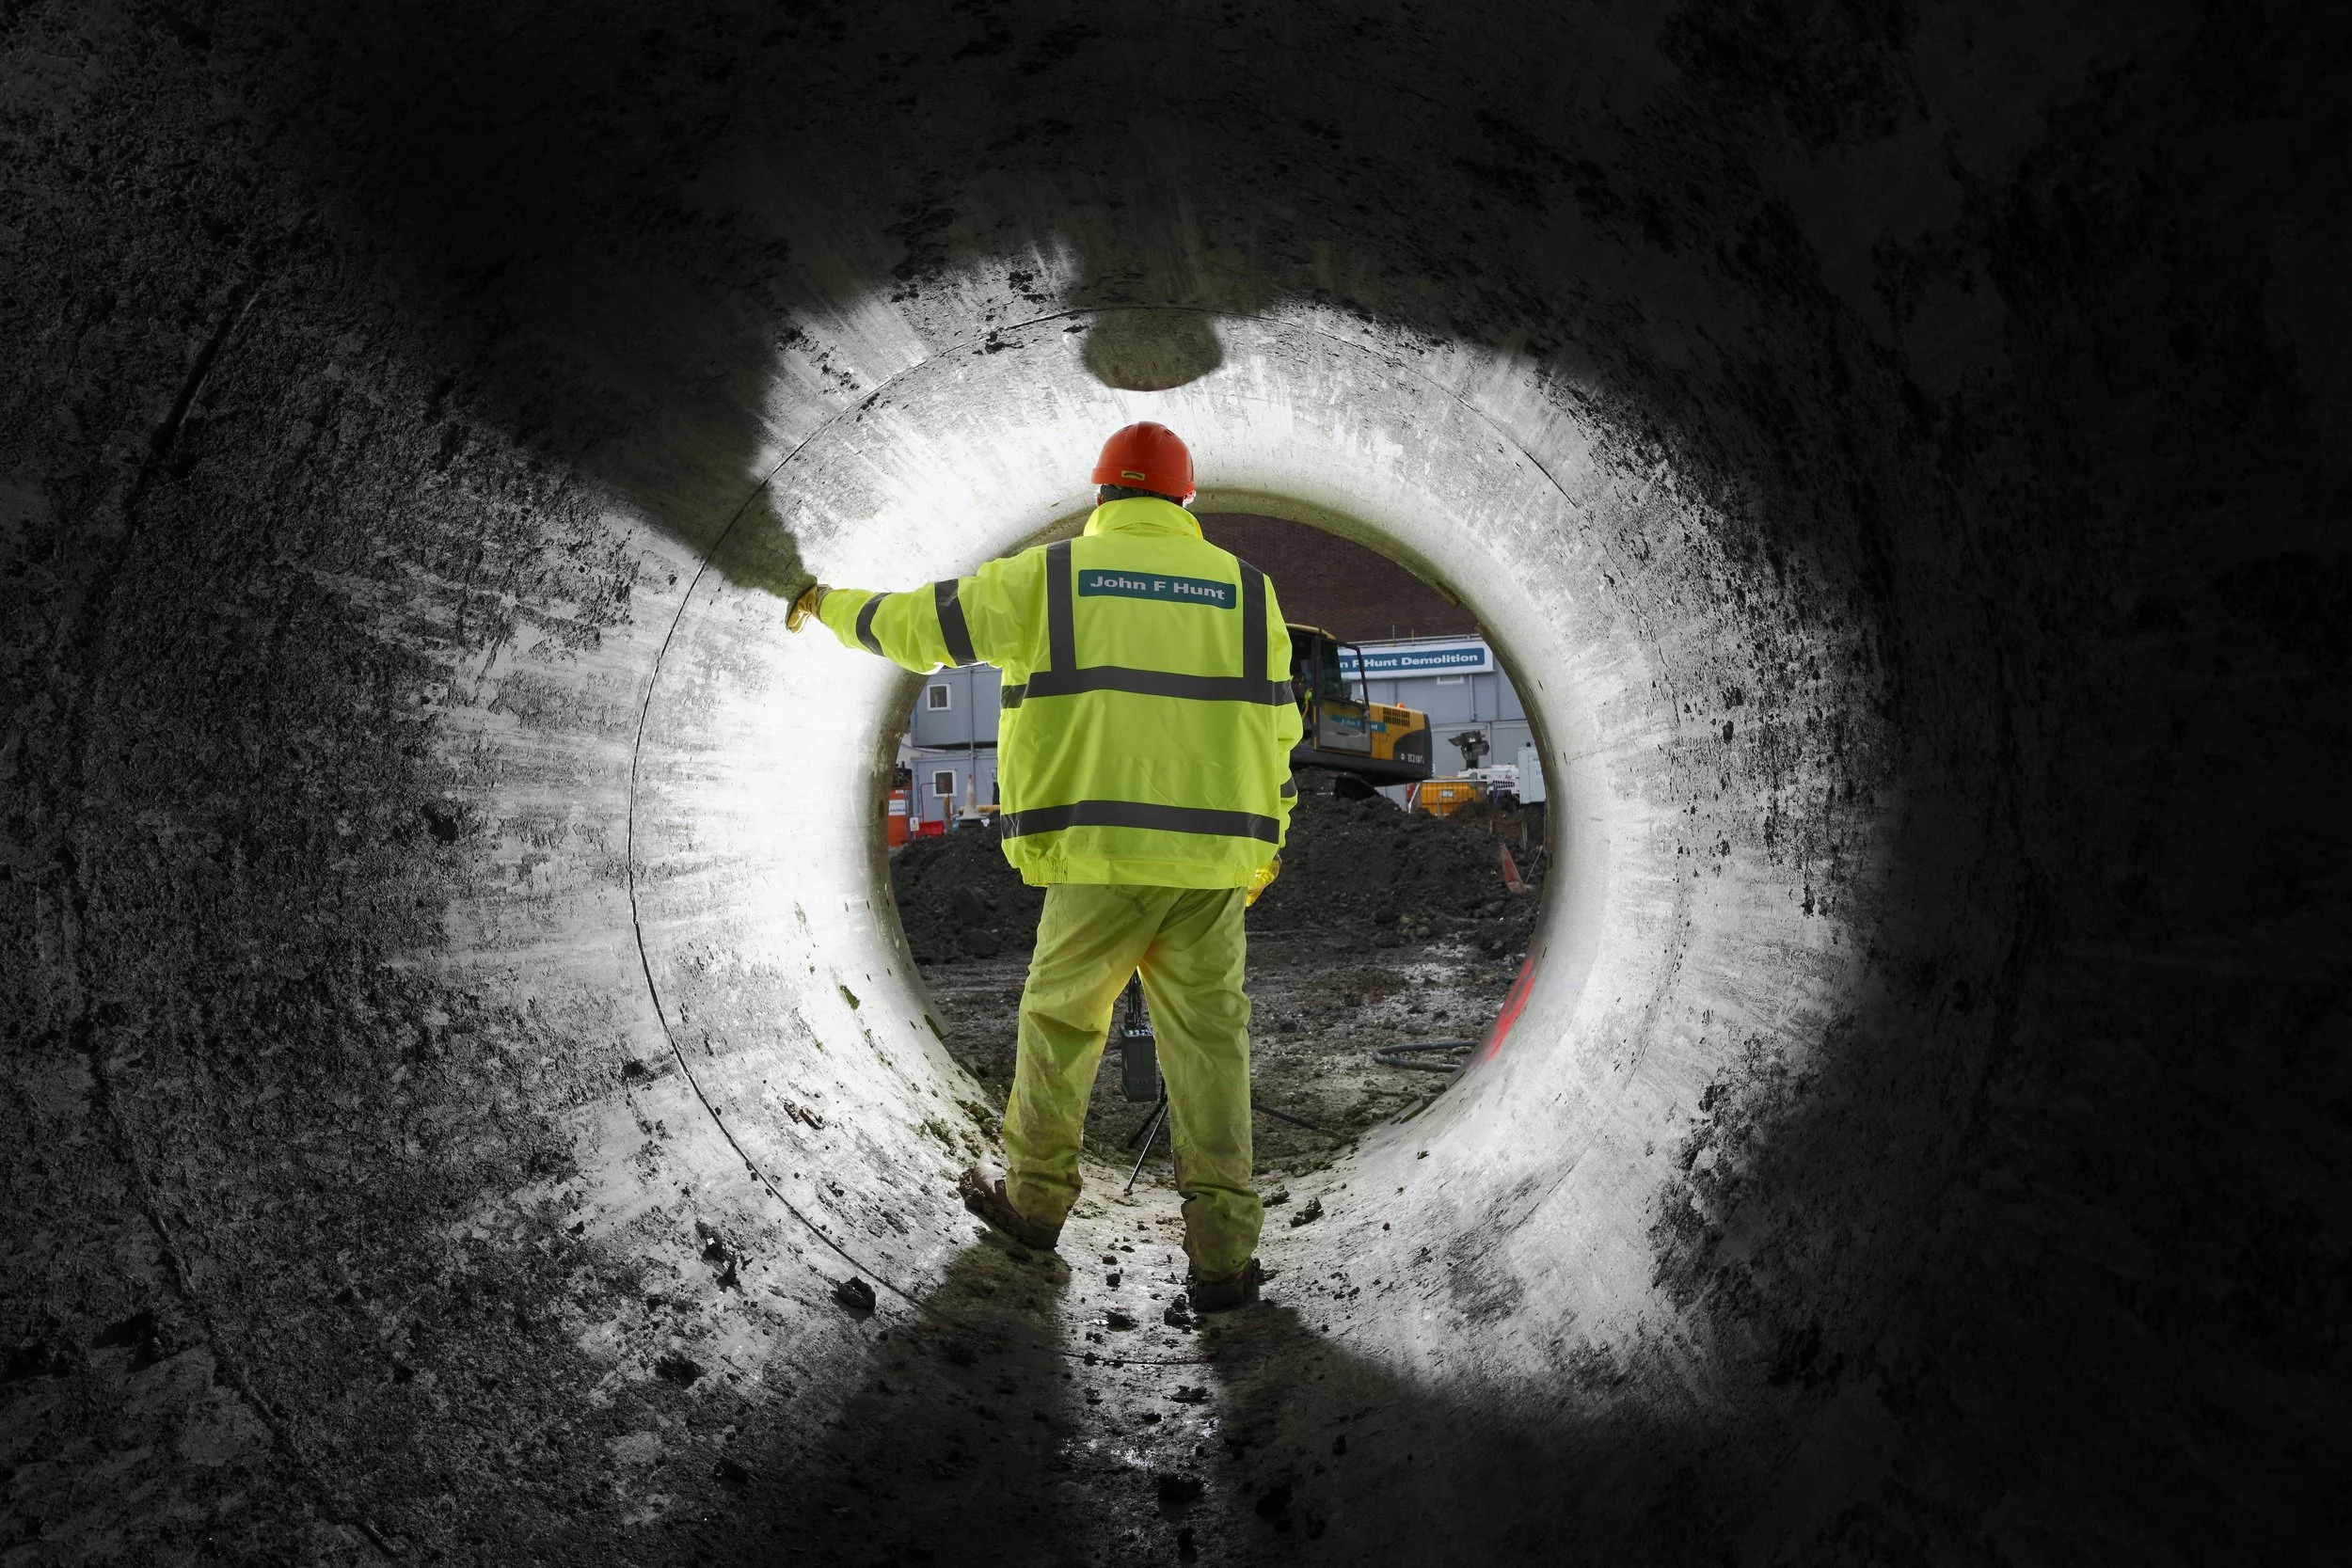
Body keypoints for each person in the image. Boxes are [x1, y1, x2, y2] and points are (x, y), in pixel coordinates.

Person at [788, 422, 1298, 1309]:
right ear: (1185, 501)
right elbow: (1279, 729)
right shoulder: (1249, 593)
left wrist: (826, 604)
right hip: (1211, 867)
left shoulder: (1054, 577)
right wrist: (1267, 844)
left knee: (1062, 1024)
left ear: (1101, 494)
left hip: (1098, 858)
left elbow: (919, 628)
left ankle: (1034, 1203)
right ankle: (1222, 1258)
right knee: (1212, 1048)